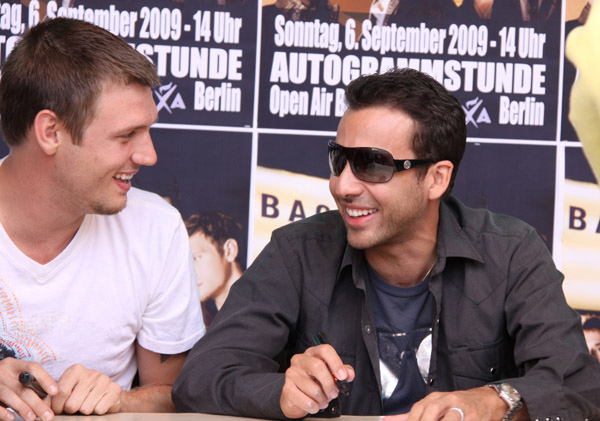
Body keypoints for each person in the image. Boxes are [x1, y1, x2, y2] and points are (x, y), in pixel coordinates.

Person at [173, 68, 600, 420]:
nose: (342, 185)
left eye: (372, 165)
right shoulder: (297, 250)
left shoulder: (511, 251)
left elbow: (580, 388)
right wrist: (281, 390)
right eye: (339, 159)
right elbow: (201, 378)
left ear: (437, 178)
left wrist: (497, 400)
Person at [0, 17, 205, 421]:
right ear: (51, 132)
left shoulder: (156, 229)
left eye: (147, 131)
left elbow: (179, 394)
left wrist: (120, 400)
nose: (149, 155)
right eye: (126, 135)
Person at [185, 211, 245, 327]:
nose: (189, 272)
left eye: (196, 258)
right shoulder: (206, 322)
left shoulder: (267, 311)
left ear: (229, 250)